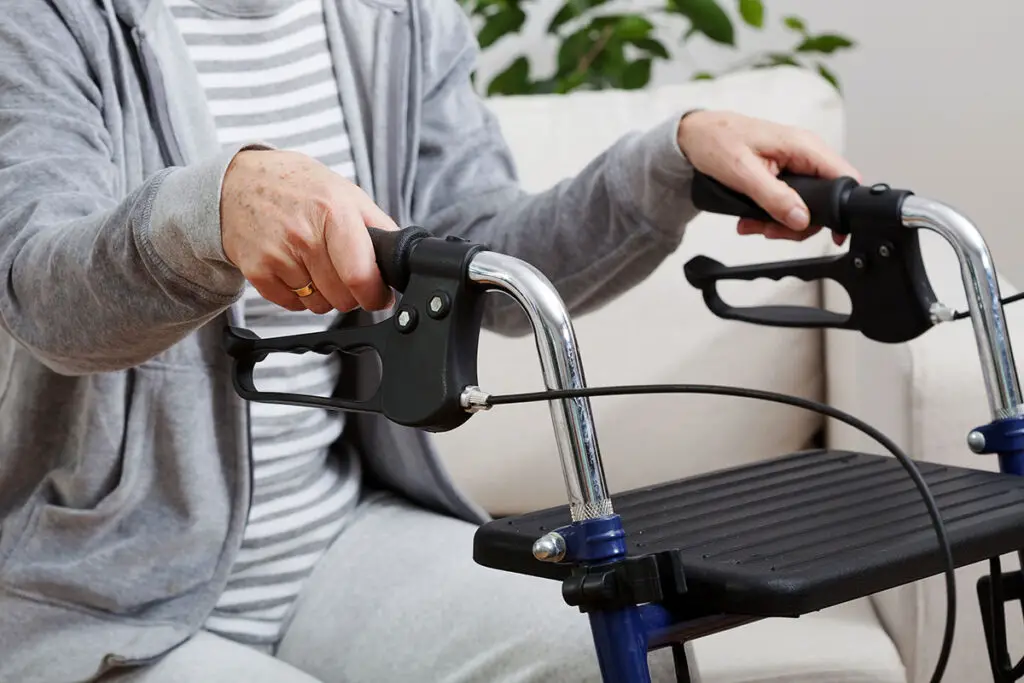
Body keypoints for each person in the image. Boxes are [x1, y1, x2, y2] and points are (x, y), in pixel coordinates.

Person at [0, 0, 860, 681]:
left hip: (339, 538)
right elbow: (43, 297)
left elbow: (478, 259)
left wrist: (664, 167)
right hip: (96, 586)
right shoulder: (45, 17)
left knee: (603, 648)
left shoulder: (400, 16)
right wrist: (209, 210)